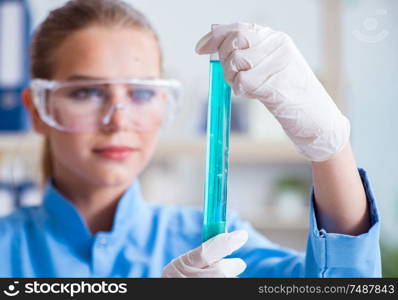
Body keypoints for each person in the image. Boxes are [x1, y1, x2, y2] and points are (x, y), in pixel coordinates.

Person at [0, 0, 380, 277]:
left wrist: (330, 147)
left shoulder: (219, 243)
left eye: (141, 93)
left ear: (164, 102)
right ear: (37, 109)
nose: (118, 122)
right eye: (87, 93)